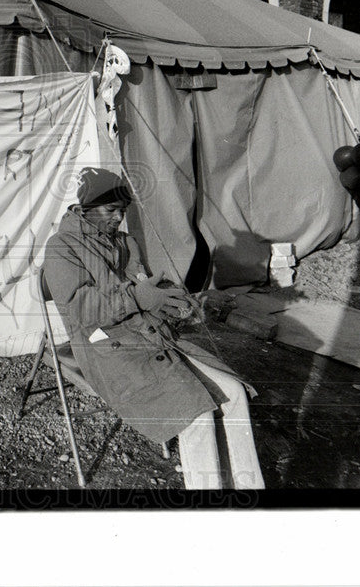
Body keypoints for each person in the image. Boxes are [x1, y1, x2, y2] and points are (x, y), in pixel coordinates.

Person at [42, 167, 265, 489]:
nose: (117, 218)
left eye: (122, 211)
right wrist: (139, 297)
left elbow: (143, 284)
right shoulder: (62, 247)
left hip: (150, 335)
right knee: (196, 415)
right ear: (84, 208)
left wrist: (170, 300)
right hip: (105, 347)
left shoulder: (125, 242)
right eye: (110, 210)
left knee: (233, 393)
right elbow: (83, 309)